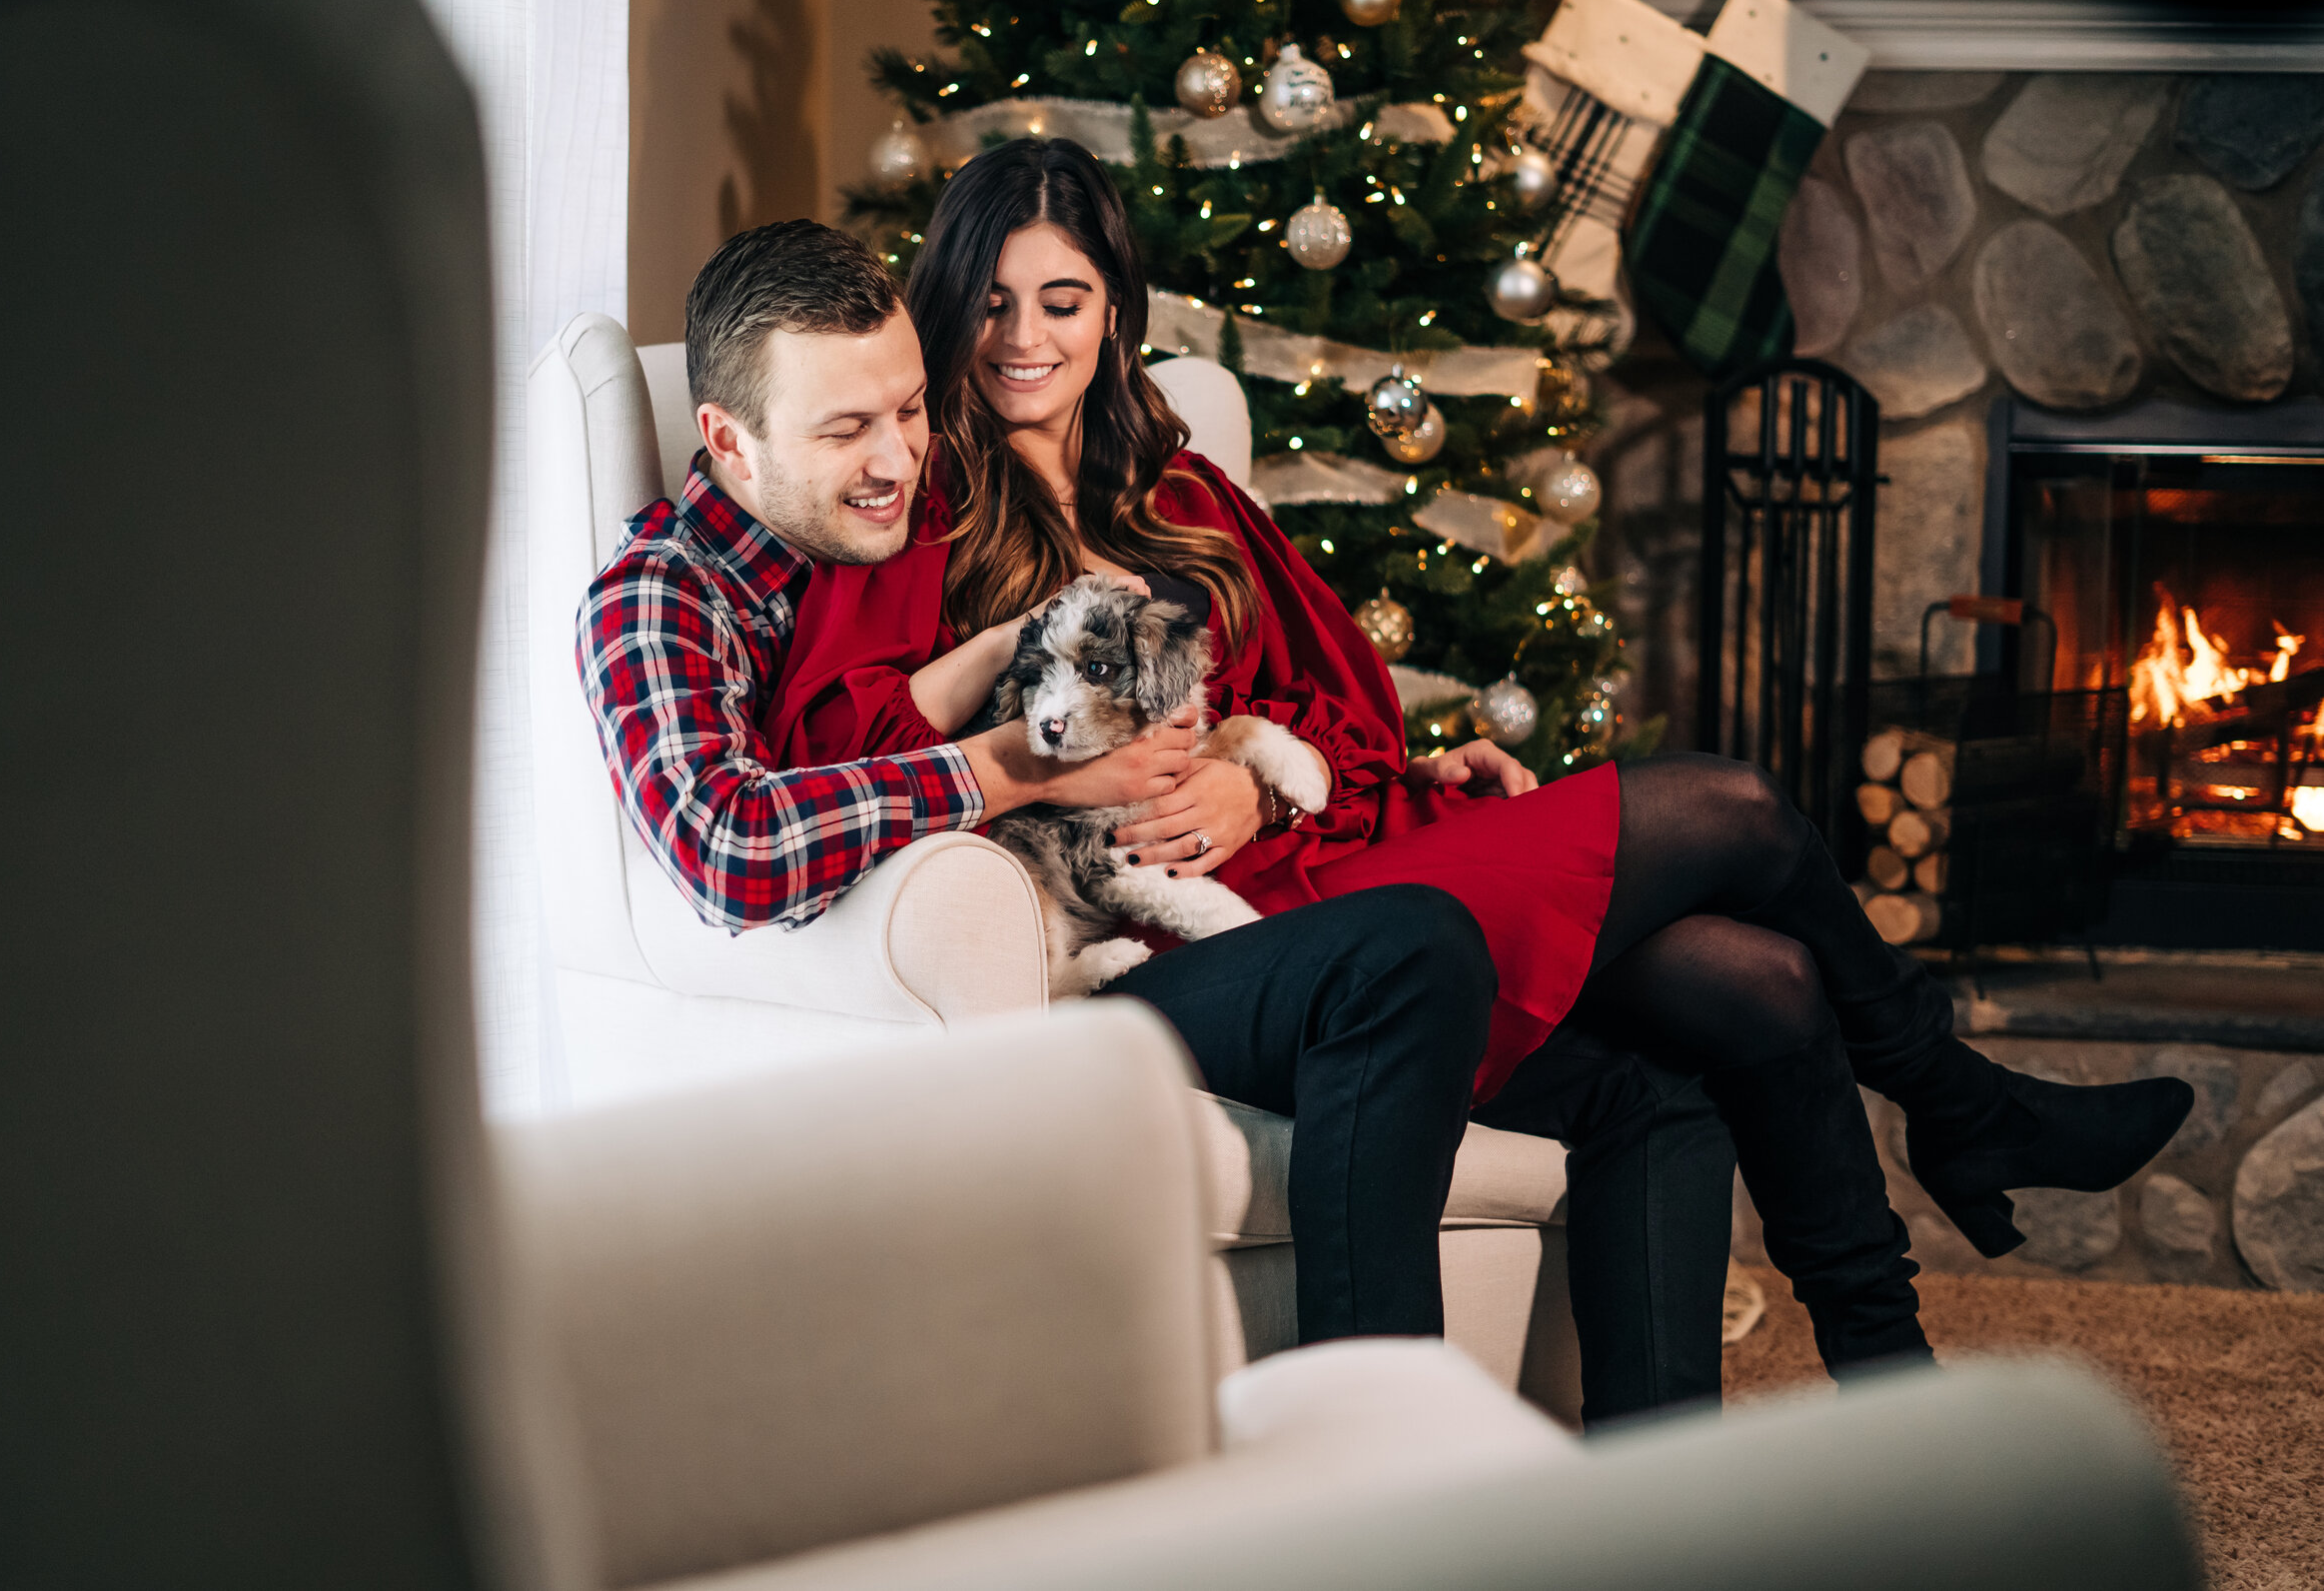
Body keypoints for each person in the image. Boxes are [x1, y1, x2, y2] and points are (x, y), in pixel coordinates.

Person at [760, 138, 2196, 1382]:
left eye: (1062, 299)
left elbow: (1343, 719)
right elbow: (847, 744)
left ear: (1114, 315)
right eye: (994, 301)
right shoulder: (921, 498)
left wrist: (1271, 775)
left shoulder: (1183, 489)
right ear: (948, 312)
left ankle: (1876, 1377)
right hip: (1237, 937)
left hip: (1334, 853)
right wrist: (1057, 760)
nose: (1026, 334)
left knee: (1757, 981)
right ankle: (1954, 1106)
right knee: (1741, 808)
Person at [579, 216, 1740, 1422]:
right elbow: (730, 849)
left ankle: (1662, 1499)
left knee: (1659, 1074)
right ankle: (1368, 1460)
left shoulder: (894, 518)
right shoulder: (669, 592)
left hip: (1191, 896)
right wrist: (1021, 767)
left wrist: (1226, 756)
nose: (897, 457)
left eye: (910, 411)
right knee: (1422, 944)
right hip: (1050, 968)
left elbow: (1181, 690)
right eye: (845, 429)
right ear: (725, 439)